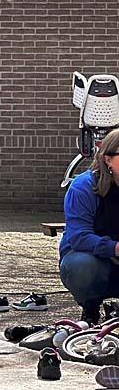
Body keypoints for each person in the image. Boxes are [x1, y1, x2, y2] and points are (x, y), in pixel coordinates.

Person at [59, 129, 119, 325]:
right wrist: (115, 248)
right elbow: (79, 237)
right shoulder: (83, 186)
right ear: (107, 159)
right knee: (83, 267)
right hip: (93, 258)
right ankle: (90, 306)